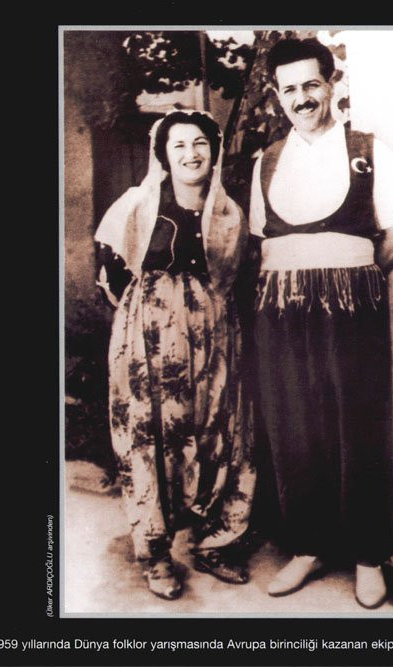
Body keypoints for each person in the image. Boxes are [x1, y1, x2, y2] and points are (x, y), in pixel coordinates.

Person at [249, 38, 393, 608]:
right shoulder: (266, 161)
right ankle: (307, 547)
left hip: (352, 310)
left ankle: (368, 557)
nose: (301, 98)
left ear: (331, 84)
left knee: (360, 424)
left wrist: (351, 283)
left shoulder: (369, 151)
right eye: (289, 89)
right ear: (277, 95)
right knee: (294, 424)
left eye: (311, 85)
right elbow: (261, 244)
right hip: (280, 311)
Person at [94, 110, 255, 600]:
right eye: (179, 144)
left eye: (200, 142)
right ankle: (156, 553)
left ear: (213, 149)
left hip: (216, 334)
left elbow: (238, 277)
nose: (191, 153)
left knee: (221, 431)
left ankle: (215, 542)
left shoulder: (229, 212)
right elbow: (111, 276)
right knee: (151, 437)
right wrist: (156, 318)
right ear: (163, 154)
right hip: (150, 335)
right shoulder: (136, 204)